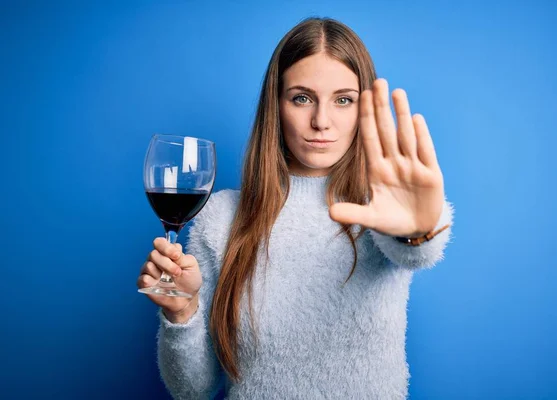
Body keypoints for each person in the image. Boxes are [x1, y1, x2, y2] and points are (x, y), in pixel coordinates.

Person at [137, 16, 453, 400]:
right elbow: (194, 390)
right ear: (277, 105)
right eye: (302, 98)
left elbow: (419, 251)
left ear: (362, 109)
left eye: (343, 100)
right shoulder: (221, 217)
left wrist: (419, 229)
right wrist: (180, 313)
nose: (321, 121)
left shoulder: (379, 207)